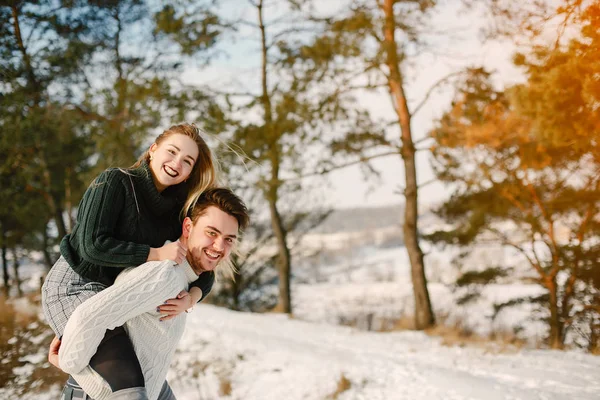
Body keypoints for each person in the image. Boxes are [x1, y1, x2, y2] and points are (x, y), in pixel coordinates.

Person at [41, 123, 218, 399]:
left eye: (187, 161)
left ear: (189, 173)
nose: (176, 163)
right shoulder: (115, 181)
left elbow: (203, 263)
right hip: (75, 285)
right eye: (172, 152)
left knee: (152, 385)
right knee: (127, 382)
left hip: (118, 299)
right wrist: (155, 254)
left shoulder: (177, 212)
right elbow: (92, 245)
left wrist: (191, 297)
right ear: (153, 149)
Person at [48, 187, 249, 400]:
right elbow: (87, 317)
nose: (219, 246)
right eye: (212, 233)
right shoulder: (164, 274)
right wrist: (68, 363)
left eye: (229, 239)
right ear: (188, 227)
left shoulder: (184, 279)